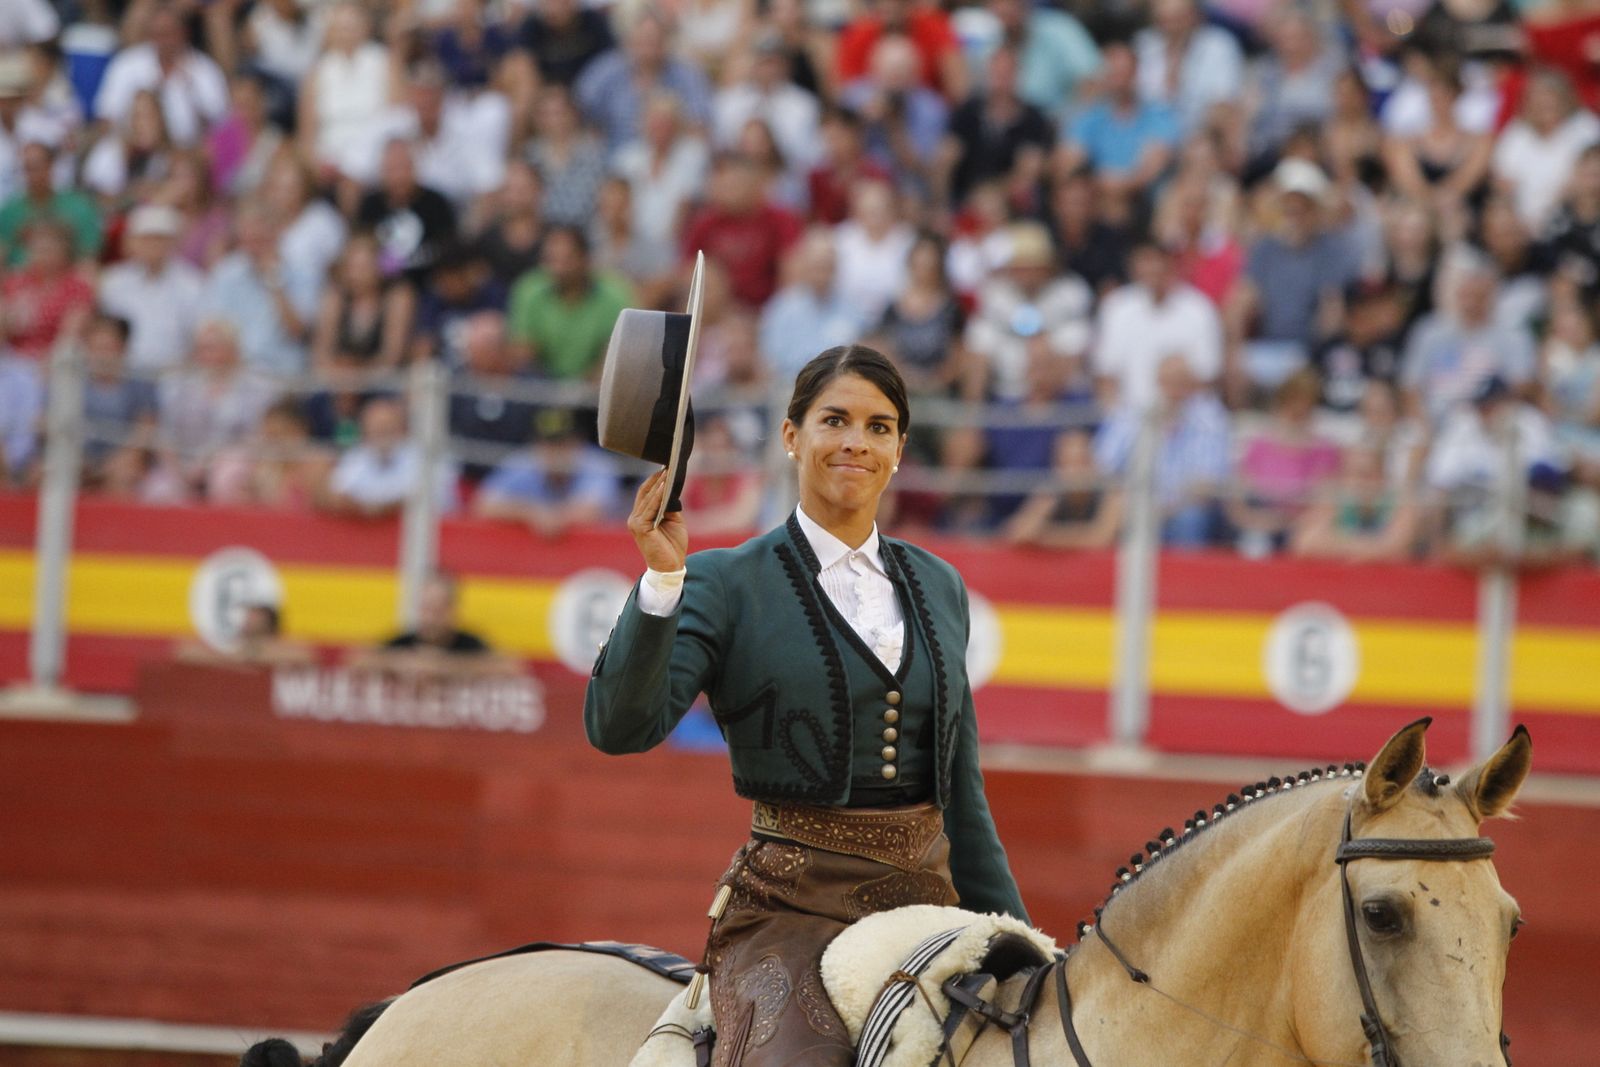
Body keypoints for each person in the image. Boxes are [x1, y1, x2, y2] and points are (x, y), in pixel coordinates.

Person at [586, 345, 1027, 1066]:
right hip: (789, 914)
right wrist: (663, 581)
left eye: (879, 427)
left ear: (900, 450)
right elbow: (619, 727)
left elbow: (961, 791)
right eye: (835, 420)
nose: (857, 441)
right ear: (792, 436)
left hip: (931, 910)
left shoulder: (939, 583)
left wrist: (1014, 932)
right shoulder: (725, 581)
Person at [350, 572, 517, 678]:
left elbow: (510, 668)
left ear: (452, 610)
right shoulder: (406, 641)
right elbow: (356, 660)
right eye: (426, 609)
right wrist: (401, 663)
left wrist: (443, 666)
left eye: (437, 610)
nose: (430, 619)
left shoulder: (469, 643)